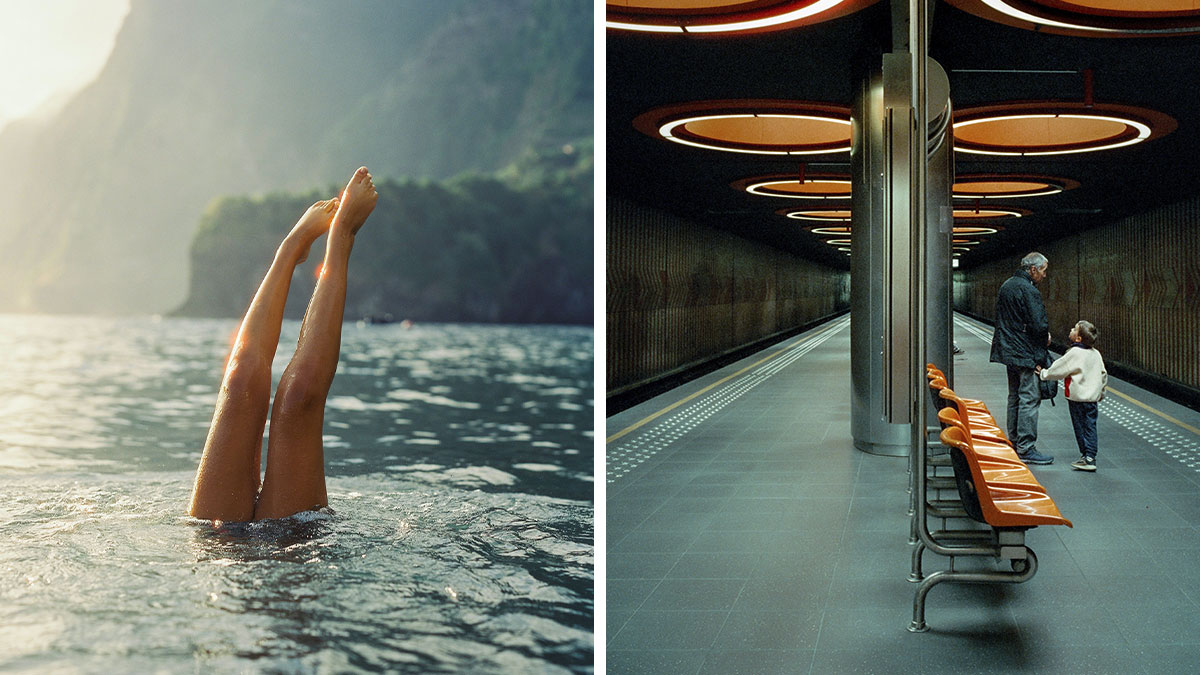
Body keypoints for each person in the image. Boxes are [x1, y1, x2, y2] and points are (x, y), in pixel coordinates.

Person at [188, 167, 379, 522]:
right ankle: (336, 239)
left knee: (248, 382)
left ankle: (296, 248)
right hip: (288, 549)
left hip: (216, 540)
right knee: (286, 394)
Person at [989, 252, 1053, 465]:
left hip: (1009, 351)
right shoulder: (1028, 290)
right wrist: (1042, 348)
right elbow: (1039, 324)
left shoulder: (1006, 285)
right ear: (1033, 269)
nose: (1044, 276)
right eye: (1043, 271)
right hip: (1025, 353)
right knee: (1029, 398)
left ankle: (1015, 442)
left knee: (1014, 396)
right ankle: (1026, 447)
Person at [1037, 320, 1107, 471]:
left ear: (1078, 339)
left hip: (1076, 398)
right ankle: (1091, 456)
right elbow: (1103, 375)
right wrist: (1101, 393)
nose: (1071, 329)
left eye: (1074, 329)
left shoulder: (1074, 353)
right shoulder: (1096, 354)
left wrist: (1043, 373)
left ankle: (1086, 457)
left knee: (1080, 427)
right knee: (1090, 426)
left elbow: (1059, 369)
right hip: (1092, 399)